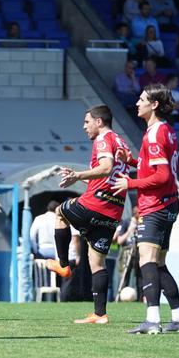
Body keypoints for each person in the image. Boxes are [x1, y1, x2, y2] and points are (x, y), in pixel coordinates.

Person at [110, 85, 179, 334]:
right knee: (158, 264)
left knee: (147, 260)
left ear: (154, 104)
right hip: (168, 204)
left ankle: (152, 321)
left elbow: (162, 175)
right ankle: (178, 318)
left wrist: (130, 182)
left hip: (155, 205)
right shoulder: (165, 131)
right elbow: (154, 166)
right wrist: (132, 161)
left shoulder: (154, 134)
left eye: (142, 99)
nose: (137, 103)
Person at [49, 105, 132, 324]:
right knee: (97, 262)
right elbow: (109, 176)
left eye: (87, 122)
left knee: (59, 213)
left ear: (99, 122)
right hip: (114, 210)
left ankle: (63, 265)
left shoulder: (103, 140)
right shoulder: (121, 142)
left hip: (95, 204)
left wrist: (77, 176)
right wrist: (84, 178)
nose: (84, 126)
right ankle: (100, 314)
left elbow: (106, 167)